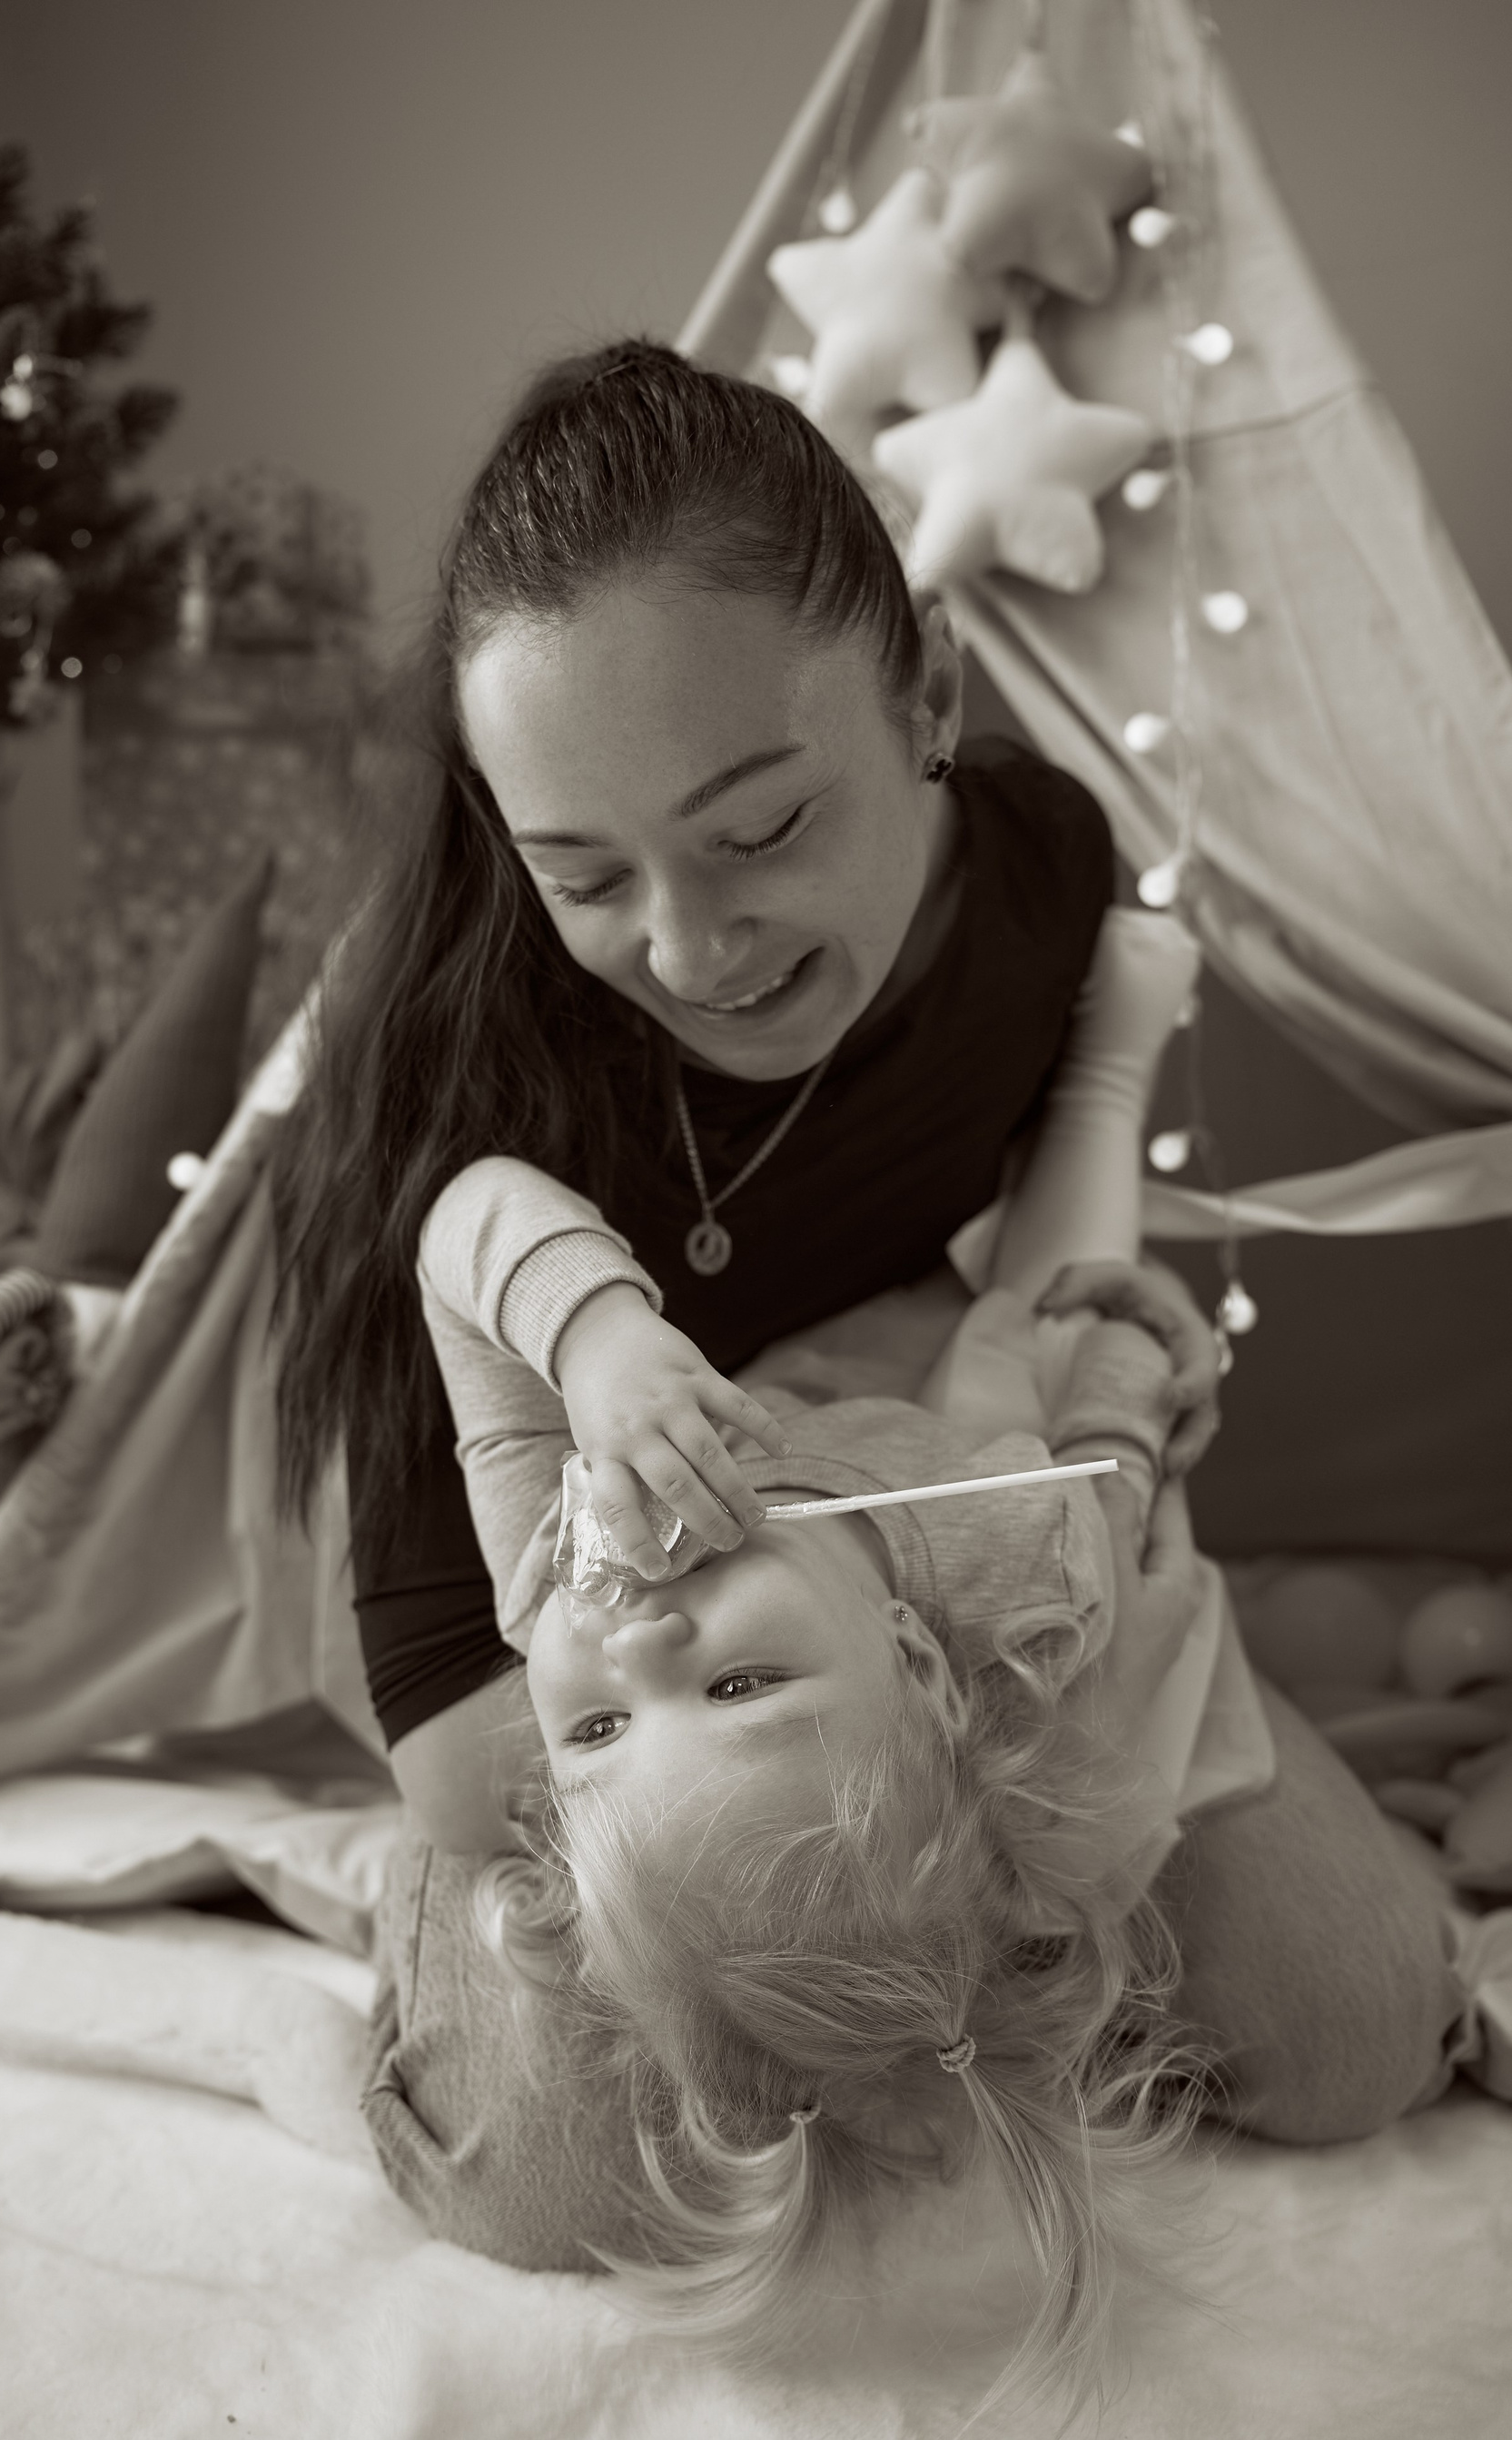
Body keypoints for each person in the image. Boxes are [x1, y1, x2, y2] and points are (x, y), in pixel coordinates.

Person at [273, 339, 1464, 2309]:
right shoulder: (456, 1079)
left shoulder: (1040, 882)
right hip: (618, 1674)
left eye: (757, 831)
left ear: (929, 699)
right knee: (562, 2177)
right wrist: (758, 1739)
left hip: (933, 1562)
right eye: (585, 873)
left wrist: (1100, 1369)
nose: (689, 947)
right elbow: (472, 1759)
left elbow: (1049, 1288)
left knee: (1357, 2031)